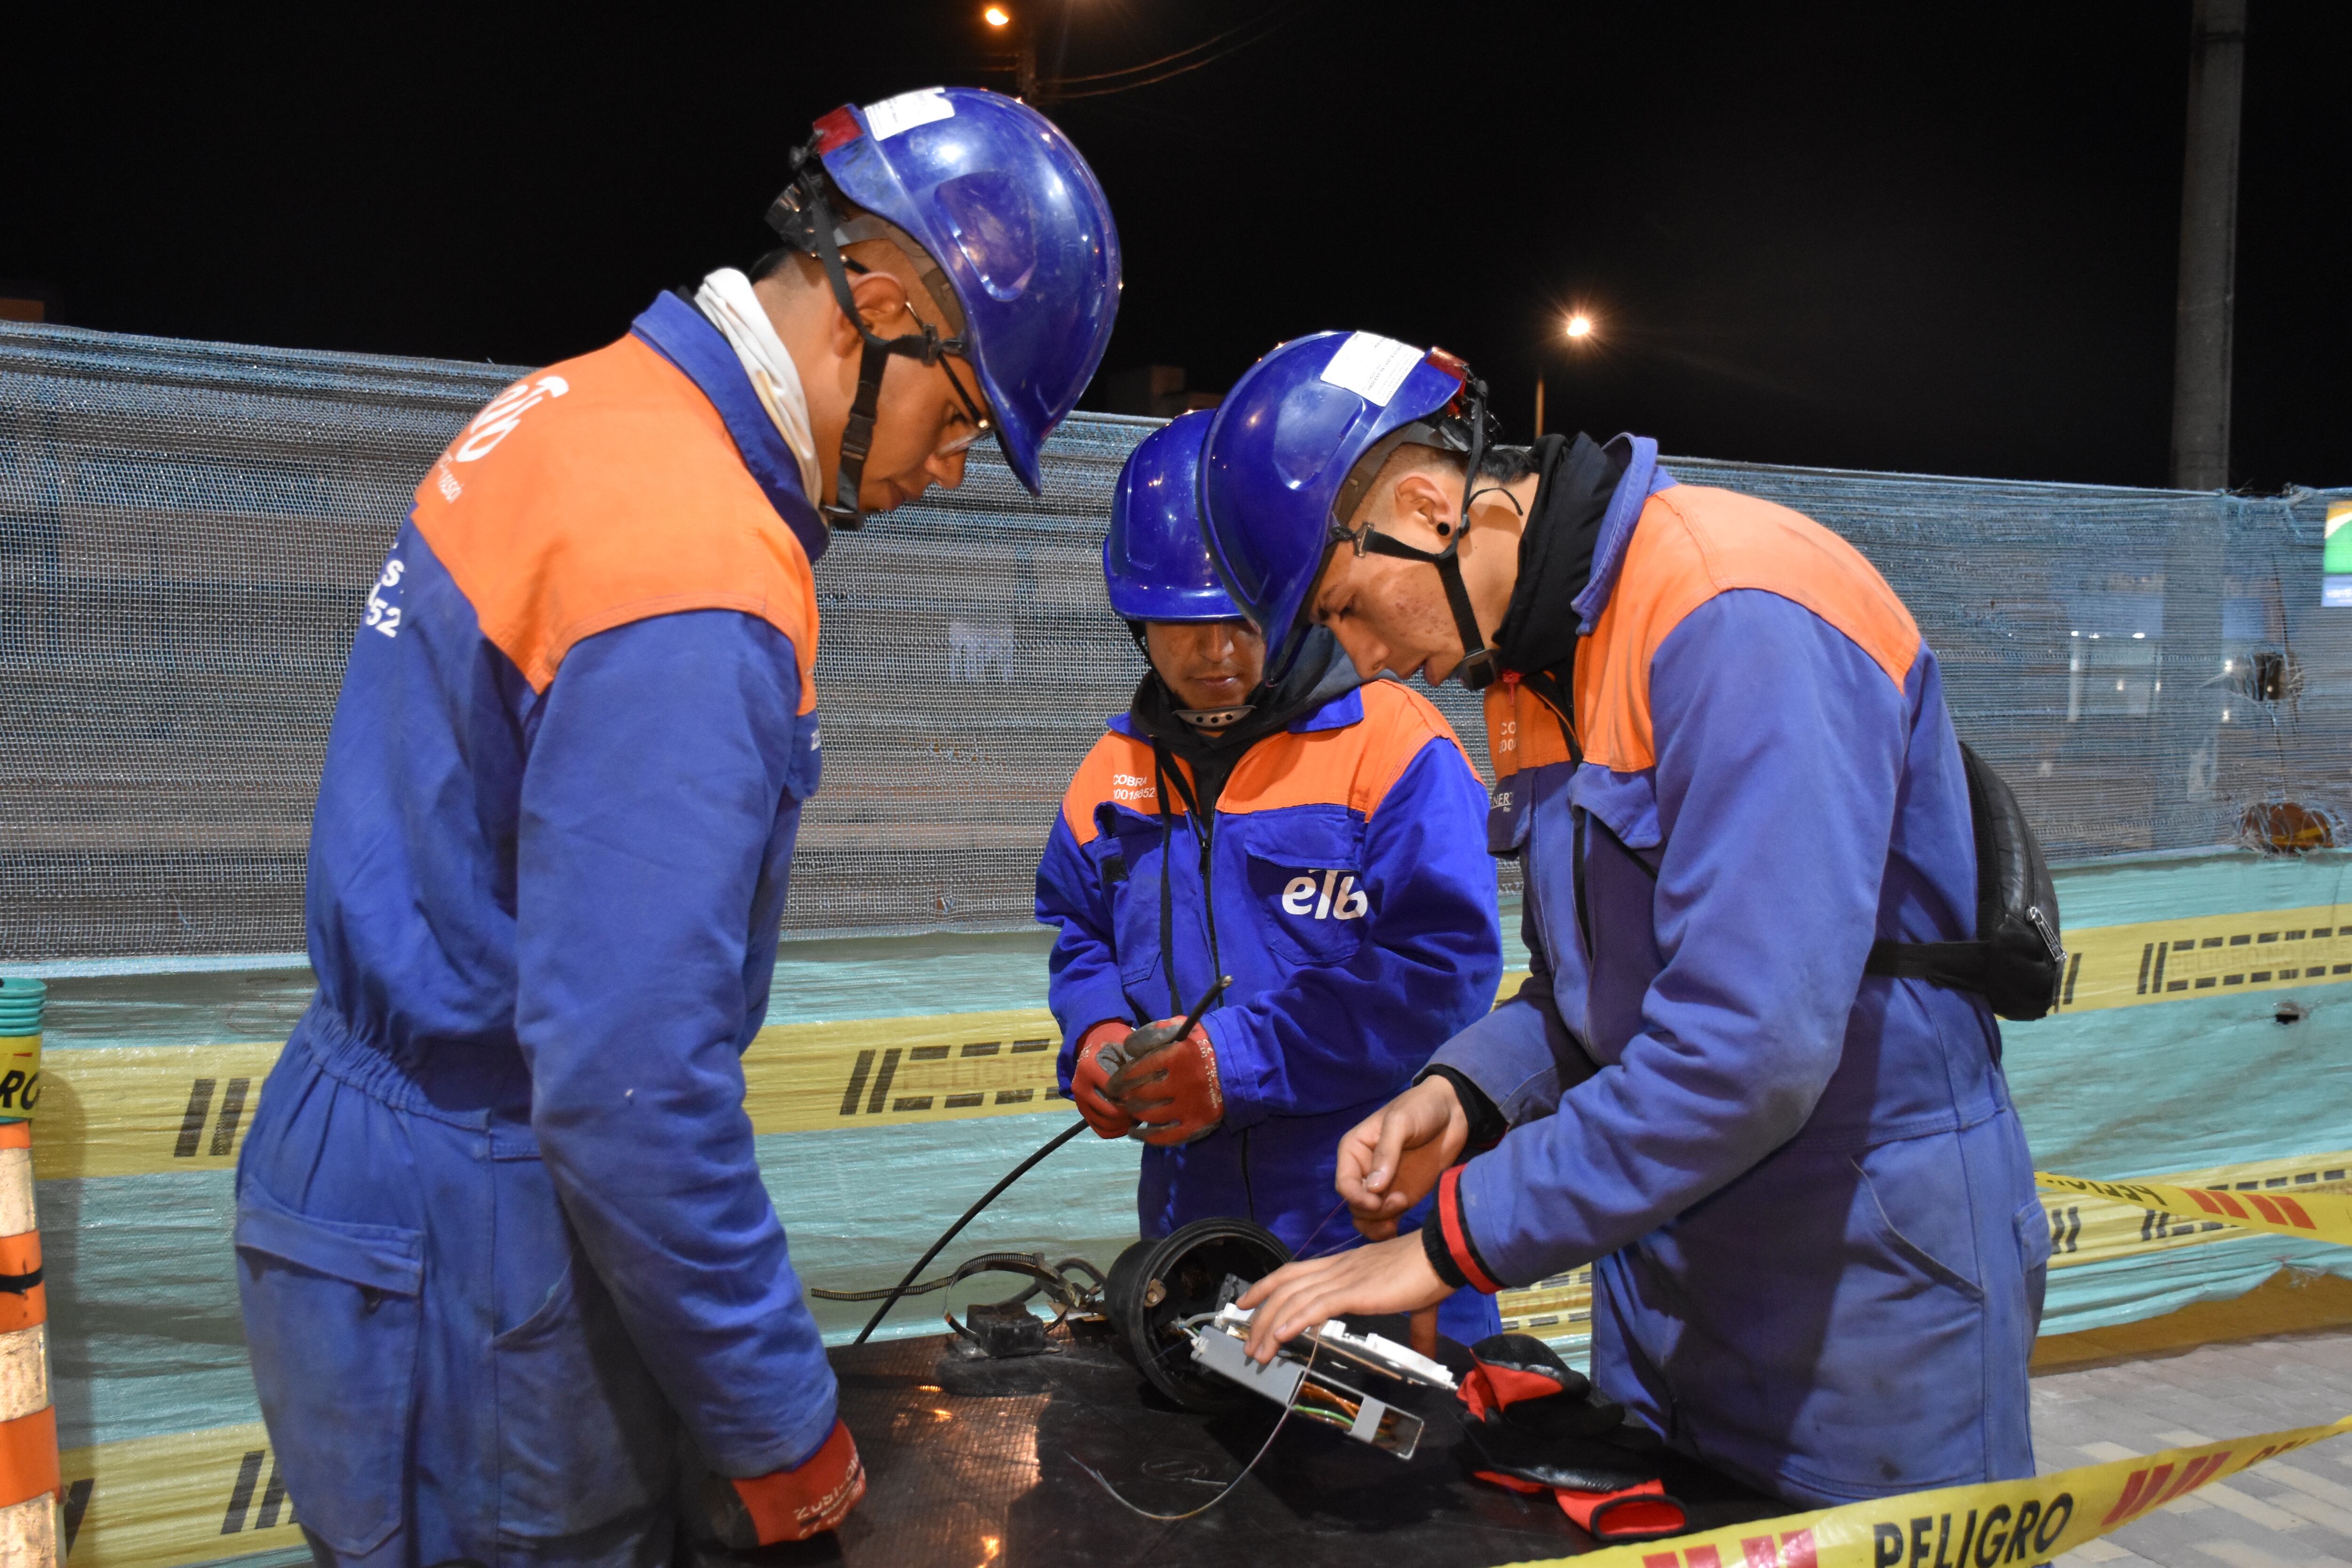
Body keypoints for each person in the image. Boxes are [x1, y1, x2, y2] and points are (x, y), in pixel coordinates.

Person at [233, 87, 1119, 1566]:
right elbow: (629, 1079)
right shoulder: (698, 564)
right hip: (482, 1225)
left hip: (364, 1161)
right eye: (962, 411)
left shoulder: (580, 406)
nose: (952, 466)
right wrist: (784, 1425)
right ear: (880, 303)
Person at [1198, 331, 2048, 1505]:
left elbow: (1748, 1049)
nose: (1368, 659)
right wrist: (1461, 1095)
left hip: (1860, 1296)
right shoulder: (1539, 669)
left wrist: (1442, 1241)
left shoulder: (1731, 611)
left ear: (1423, 505)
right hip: (1669, 1289)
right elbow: (1593, 991)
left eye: (1344, 608)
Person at [1034, 410, 1505, 1344]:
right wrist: (1095, 1033)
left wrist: (1235, 1062)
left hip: (1369, 1214)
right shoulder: (1113, 770)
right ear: (1134, 615)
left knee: (1413, 1477)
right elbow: (1079, 929)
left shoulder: (1397, 746)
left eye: (1243, 619)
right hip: (1192, 1230)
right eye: (1181, 622)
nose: (1215, 655)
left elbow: (1444, 970)